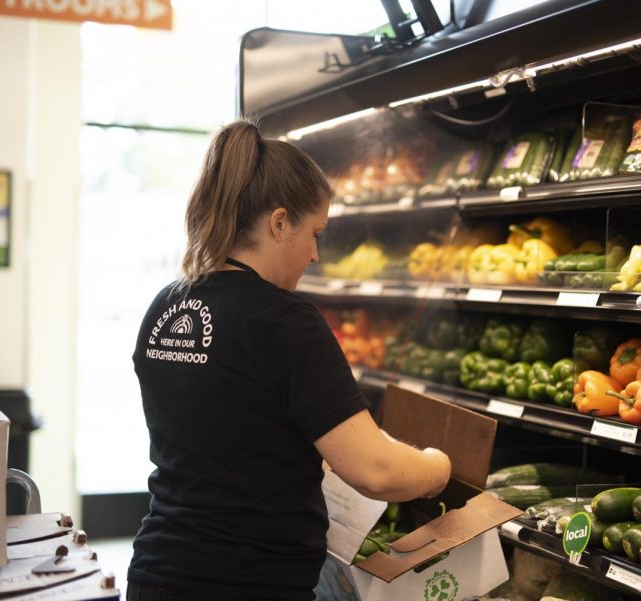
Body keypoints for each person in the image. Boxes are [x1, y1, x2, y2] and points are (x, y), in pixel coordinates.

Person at [126, 119, 451, 601]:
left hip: (158, 572)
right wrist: (435, 468)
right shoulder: (283, 320)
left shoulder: (166, 304)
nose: (316, 254)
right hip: (247, 584)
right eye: (315, 233)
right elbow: (375, 471)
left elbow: (229, 433)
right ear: (279, 223)